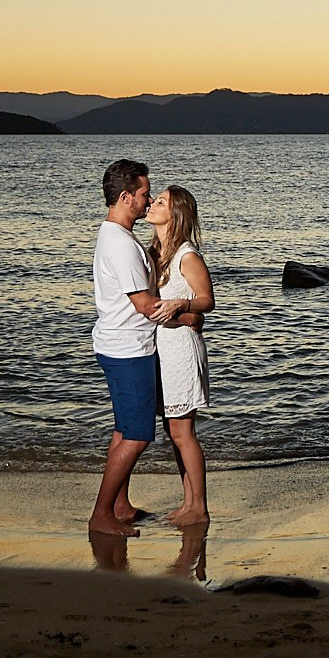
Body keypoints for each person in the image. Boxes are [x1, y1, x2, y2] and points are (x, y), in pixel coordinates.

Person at [88, 158, 164, 538]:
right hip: (128, 348)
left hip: (119, 343)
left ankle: (119, 505)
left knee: (123, 430)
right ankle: (101, 514)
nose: (148, 202)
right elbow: (146, 306)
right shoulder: (120, 245)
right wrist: (189, 314)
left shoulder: (116, 236)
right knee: (137, 435)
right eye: (144, 195)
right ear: (125, 197)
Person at [145, 183, 216, 526]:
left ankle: (198, 508)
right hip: (163, 349)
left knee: (183, 432)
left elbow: (207, 300)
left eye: (160, 202)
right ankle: (187, 503)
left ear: (173, 216)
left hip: (183, 351)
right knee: (173, 431)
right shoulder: (157, 252)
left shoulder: (187, 255)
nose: (152, 204)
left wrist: (183, 305)